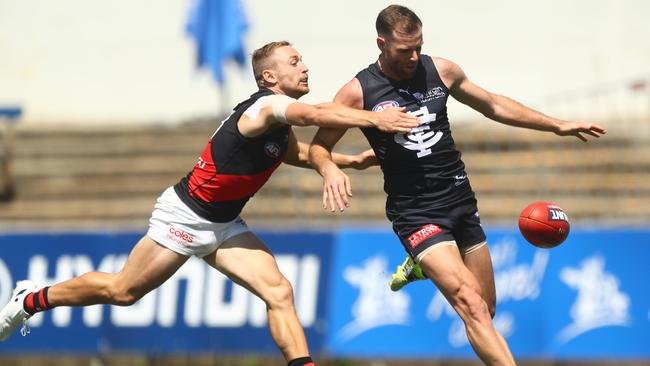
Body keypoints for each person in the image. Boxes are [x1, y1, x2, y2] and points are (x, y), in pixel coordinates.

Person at [0, 41, 419, 366]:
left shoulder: (278, 119)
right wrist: (374, 118)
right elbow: (313, 116)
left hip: (223, 224)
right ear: (270, 76)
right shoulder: (266, 106)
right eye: (294, 61)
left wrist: (348, 161)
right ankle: (33, 298)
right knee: (123, 291)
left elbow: (297, 153)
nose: (304, 66)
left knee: (279, 290)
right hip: (184, 216)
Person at [308, 5, 606, 366]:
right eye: (405, 50)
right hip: (416, 212)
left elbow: (493, 105)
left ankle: (419, 266)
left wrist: (555, 125)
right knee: (471, 304)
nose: (414, 56)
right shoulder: (358, 91)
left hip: (460, 199)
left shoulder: (441, 70)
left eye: (419, 46)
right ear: (381, 43)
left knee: (486, 307)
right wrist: (329, 170)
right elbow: (319, 148)